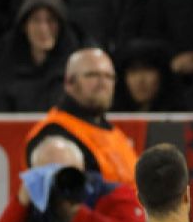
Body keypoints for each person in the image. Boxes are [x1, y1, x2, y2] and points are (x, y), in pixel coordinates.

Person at [0, 134, 145, 222]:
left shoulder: (111, 194)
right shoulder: (34, 204)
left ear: (83, 170)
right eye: (49, 174)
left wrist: (78, 217)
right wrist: (21, 202)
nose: (61, 182)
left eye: (68, 173)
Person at [24, 48, 139, 184]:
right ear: (69, 82)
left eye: (109, 76)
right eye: (92, 75)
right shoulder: (53, 134)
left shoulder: (114, 133)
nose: (103, 83)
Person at [0, 0, 78, 112]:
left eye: (51, 20)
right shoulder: (3, 67)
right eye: (36, 20)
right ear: (24, 26)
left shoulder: (75, 69)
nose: (43, 29)